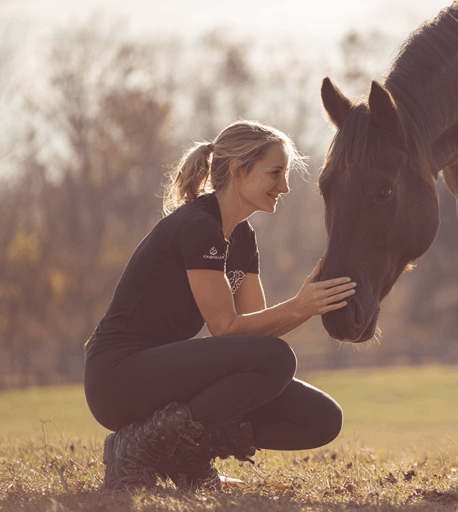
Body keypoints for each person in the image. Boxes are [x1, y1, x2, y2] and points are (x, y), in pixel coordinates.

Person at [84, 120, 354, 491]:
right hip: (119, 377)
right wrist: (301, 307)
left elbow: (252, 330)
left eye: (285, 175)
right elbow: (226, 329)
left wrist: (305, 304)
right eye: (275, 173)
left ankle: (187, 454)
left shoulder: (241, 237)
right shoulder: (199, 227)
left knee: (322, 417)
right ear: (238, 170)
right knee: (277, 359)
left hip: (168, 378)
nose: (285, 186)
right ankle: (136, 447)